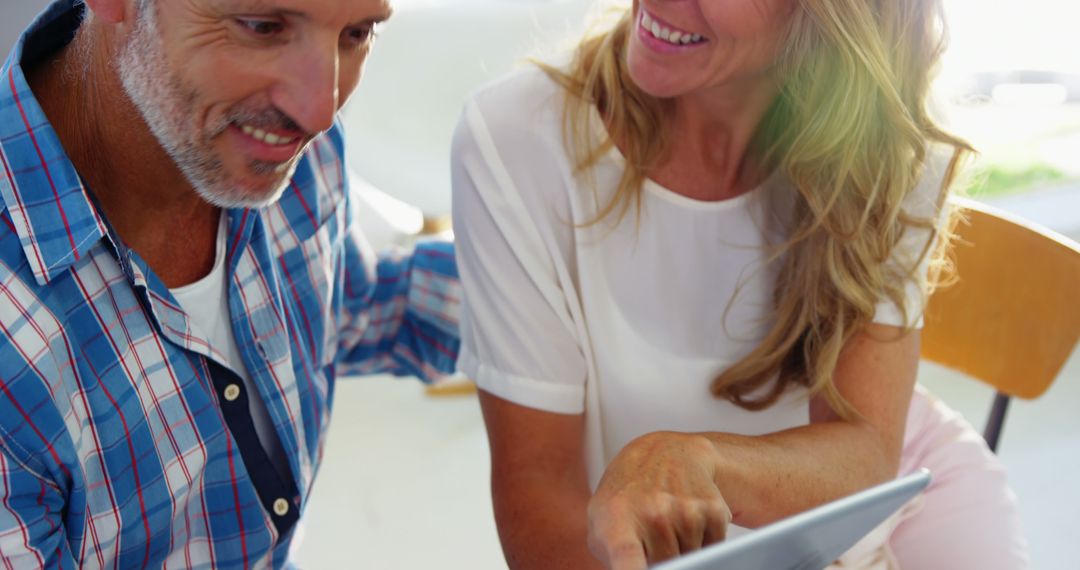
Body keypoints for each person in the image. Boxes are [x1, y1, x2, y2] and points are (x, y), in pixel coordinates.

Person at [451, 0, 1029, 568]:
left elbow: (872, 451)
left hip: (893, 504)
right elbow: (539, 492)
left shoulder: (885, 150)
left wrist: (702, 460)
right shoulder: (515, 141)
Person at [0, 0, 459, 567]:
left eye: (357, 33)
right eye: (263, 27)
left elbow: (350, 302)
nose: (320, 111)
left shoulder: (270, 145)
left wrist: (568, 271)